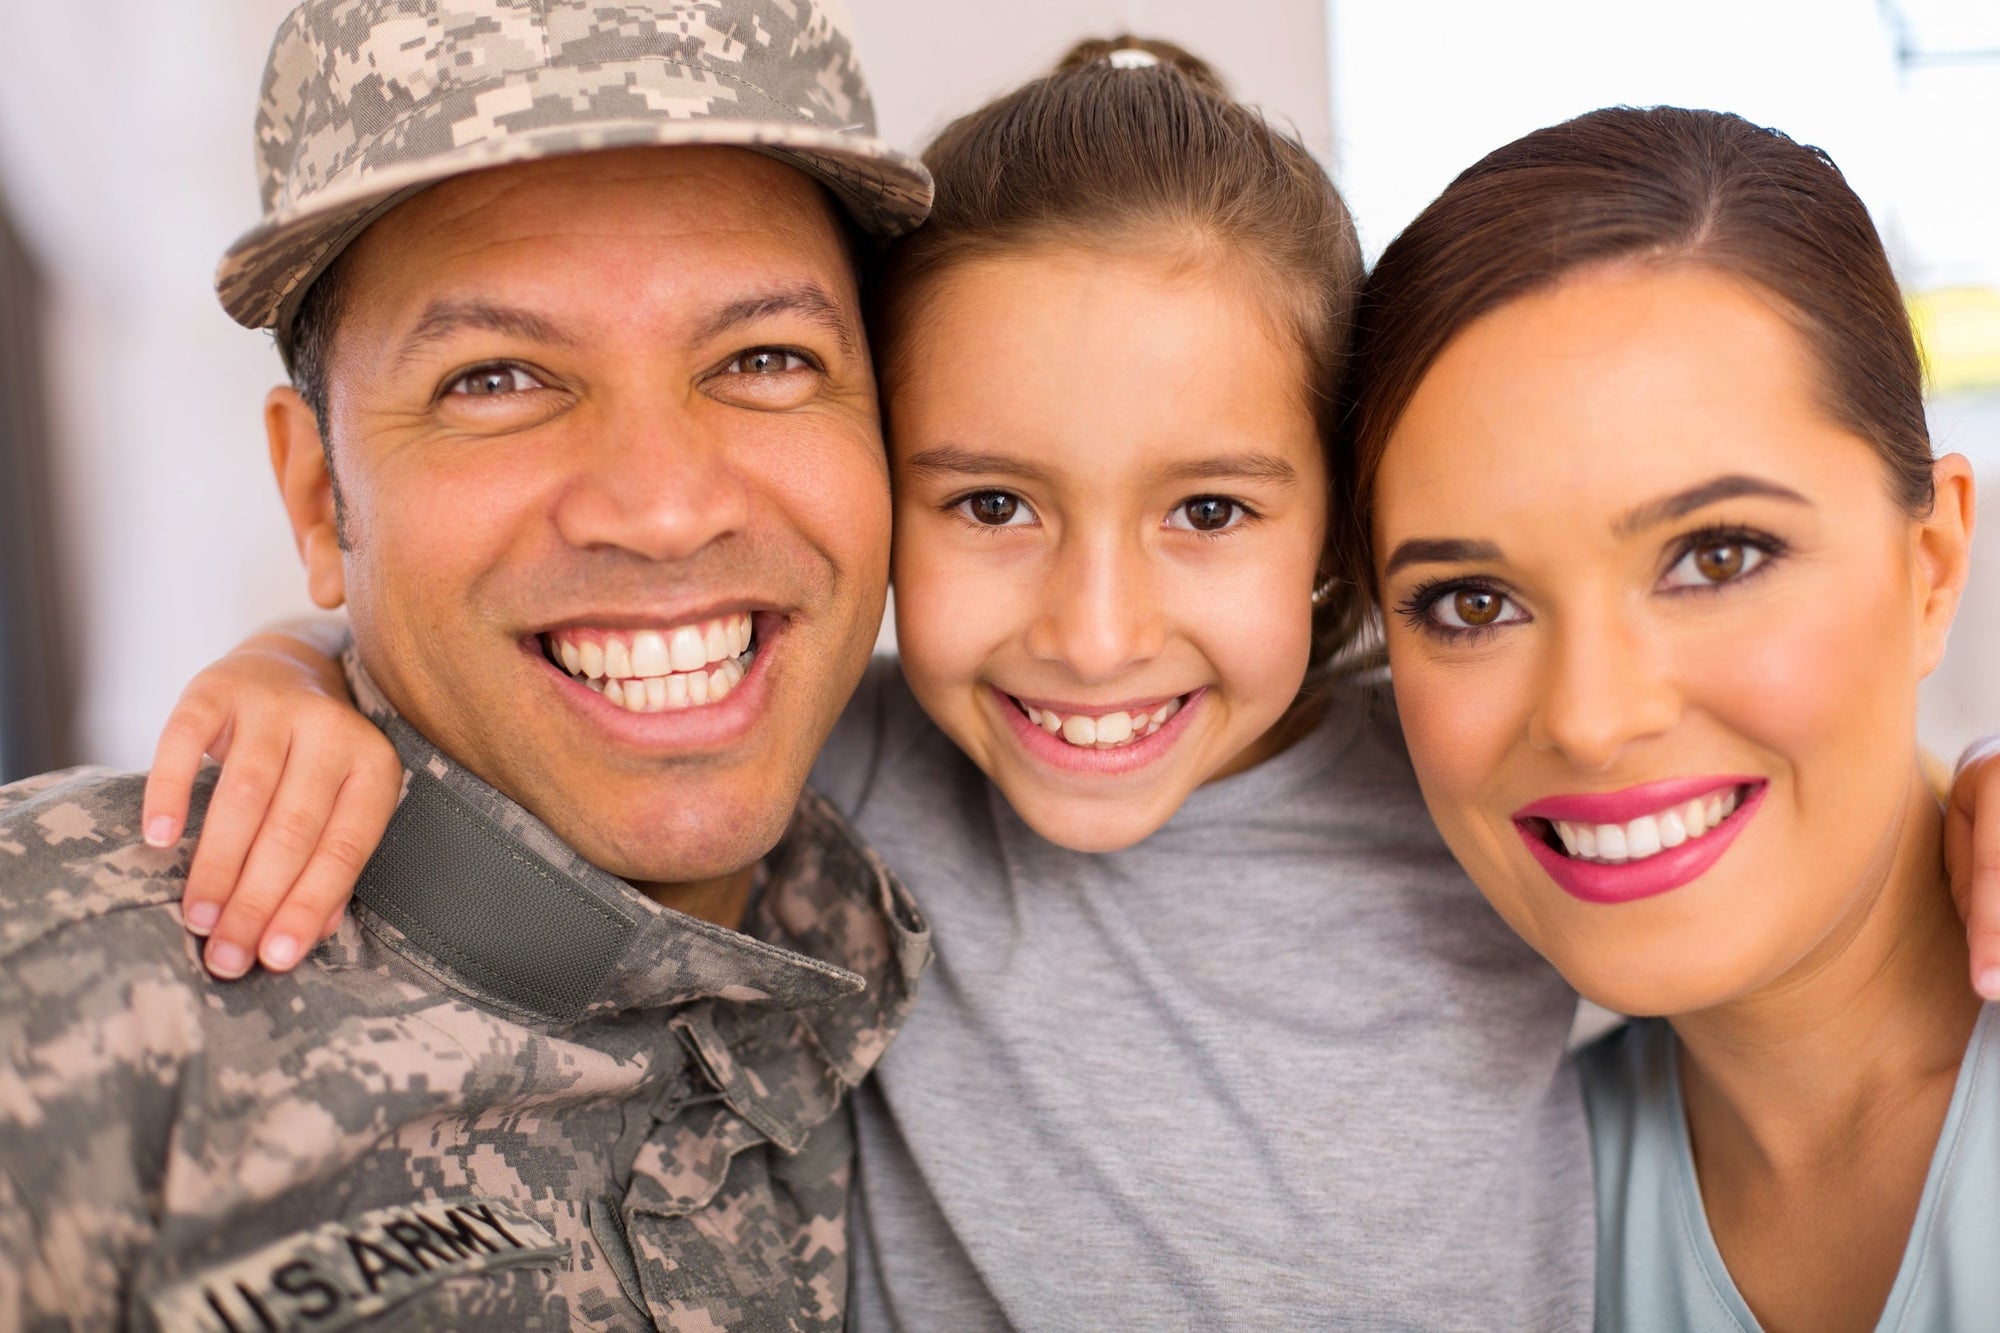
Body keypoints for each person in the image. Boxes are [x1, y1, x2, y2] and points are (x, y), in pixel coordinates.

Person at [130, 46, 2000, 1331]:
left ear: (1330, 540)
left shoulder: (1459, 805)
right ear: (880, 499)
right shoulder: (822, 786)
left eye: (1206, 507)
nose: (1095, 633)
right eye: (994, 501)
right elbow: (564, 693)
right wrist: (311, 666)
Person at [0, 2, 934, 1328]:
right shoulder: (48, 991)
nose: (663, 508)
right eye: (496, 379)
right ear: (322, 498)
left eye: (766, 359)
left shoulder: (998, 882)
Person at [1343, 106, 1995, 1331]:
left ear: (1931, 563)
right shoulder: (1470, 1218)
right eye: (1470, 601)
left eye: (1716, 556)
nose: (1590, 720)